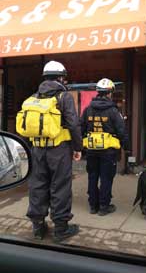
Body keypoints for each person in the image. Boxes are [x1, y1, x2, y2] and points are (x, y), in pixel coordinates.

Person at [26, 60, 82, 241]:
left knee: (37, 186)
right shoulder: (64, 97)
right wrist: (78, 148)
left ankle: (38, 227)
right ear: (60, 77)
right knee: (60, 187)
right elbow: (73, 124)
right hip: (59, 151)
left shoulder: (35, 96)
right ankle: (61, 229)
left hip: (37, 150)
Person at [81, 78, 129, 216]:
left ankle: (93, 206)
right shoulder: (113, 111)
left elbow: (81, 128)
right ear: (109, 93)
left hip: (91, 150)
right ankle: (103, 206)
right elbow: (121, 131)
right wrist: (127, 147)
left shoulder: (88, 109)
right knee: (106, 178)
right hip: (108, 151)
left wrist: (78, 147)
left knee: (92, 176)